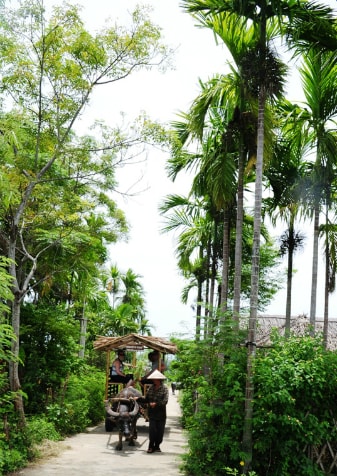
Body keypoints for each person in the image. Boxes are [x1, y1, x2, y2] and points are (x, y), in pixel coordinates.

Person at [135, 369, 169, 453]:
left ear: (159, 379)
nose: (154, 380)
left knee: (160, 432)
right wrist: (138, 398)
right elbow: (146, 399)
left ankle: (157, 446)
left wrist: (156, 404)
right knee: (152, 430)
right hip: (152, 413)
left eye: (155, 379)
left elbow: (165, 401)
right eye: (153, 379)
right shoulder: (151, 388)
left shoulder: (164, 389)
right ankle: (150, 446)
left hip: (161, 414)